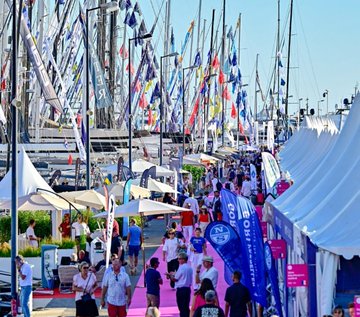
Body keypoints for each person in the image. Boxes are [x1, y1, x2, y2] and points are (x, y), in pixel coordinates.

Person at [167, 252, 193, 317]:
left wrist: (169, 276)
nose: (178, 260)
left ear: (183, 259)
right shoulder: (189, 267)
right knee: (186, 306)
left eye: (179, 259)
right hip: (187, 289)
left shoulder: (181, 268)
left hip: (181, 289)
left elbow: (175, 279)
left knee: (181, 307)